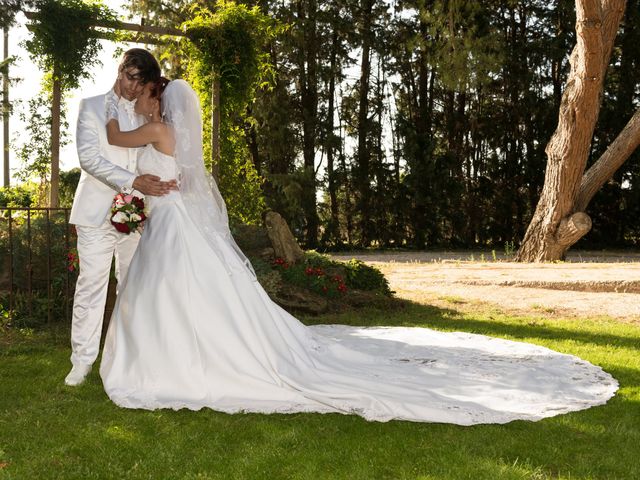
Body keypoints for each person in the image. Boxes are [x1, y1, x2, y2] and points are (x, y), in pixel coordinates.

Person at [98, 78, 617, 425]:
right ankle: (188, 352)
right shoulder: (170, 133)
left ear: (156, 99)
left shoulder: (153, 126)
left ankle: (175, 360)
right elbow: (173, 173)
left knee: (173, 292)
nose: (139, 99)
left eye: (143, 92)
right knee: (190, 294)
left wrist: (113, 102)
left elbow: (113, 135)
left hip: (171, 223)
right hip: (171, 218)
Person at [65, 49, 177, 387]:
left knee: (133, 288)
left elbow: (160, 153)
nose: (133, 87)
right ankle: (81, 362)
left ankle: (127, 359)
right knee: (91, 287)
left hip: (138, 217)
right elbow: (89, 159)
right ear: (120, 70)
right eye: (130, 77)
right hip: (96, 213)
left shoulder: (147, 112)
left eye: (141, 82)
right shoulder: (91, 106)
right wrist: (132, 181)